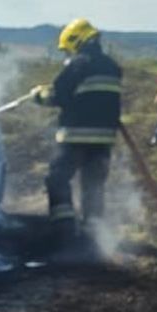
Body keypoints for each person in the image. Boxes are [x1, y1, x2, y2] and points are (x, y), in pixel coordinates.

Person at [32, 18, 122, 247]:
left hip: (74, 136)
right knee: (93, 184)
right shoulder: (112, 66)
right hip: (104, 139)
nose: (67, 54)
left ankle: (64, 231)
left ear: (76, 40)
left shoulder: (78, 64)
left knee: (57, 179)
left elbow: (58, 95)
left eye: (67, 49)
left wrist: (39, 95)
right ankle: (93, 233)